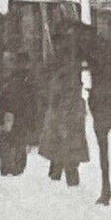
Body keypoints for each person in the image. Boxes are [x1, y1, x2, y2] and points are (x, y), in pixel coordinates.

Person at [38, 41, 89, 187]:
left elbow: (64, 99)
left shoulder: (65, 77)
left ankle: (62, 186)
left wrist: (61, 121)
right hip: (66, 121)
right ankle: (62, 185)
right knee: (63, 158)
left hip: (64, 121)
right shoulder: (67, 75)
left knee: (63, 158)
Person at [0, 50, 40, 176]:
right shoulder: (28, 78)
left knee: (10, 140)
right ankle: (17, 166)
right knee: (19, 140)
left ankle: (8, 166)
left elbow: (5, 96)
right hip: (22, 113)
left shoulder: (12, 79)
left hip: (13, 112)